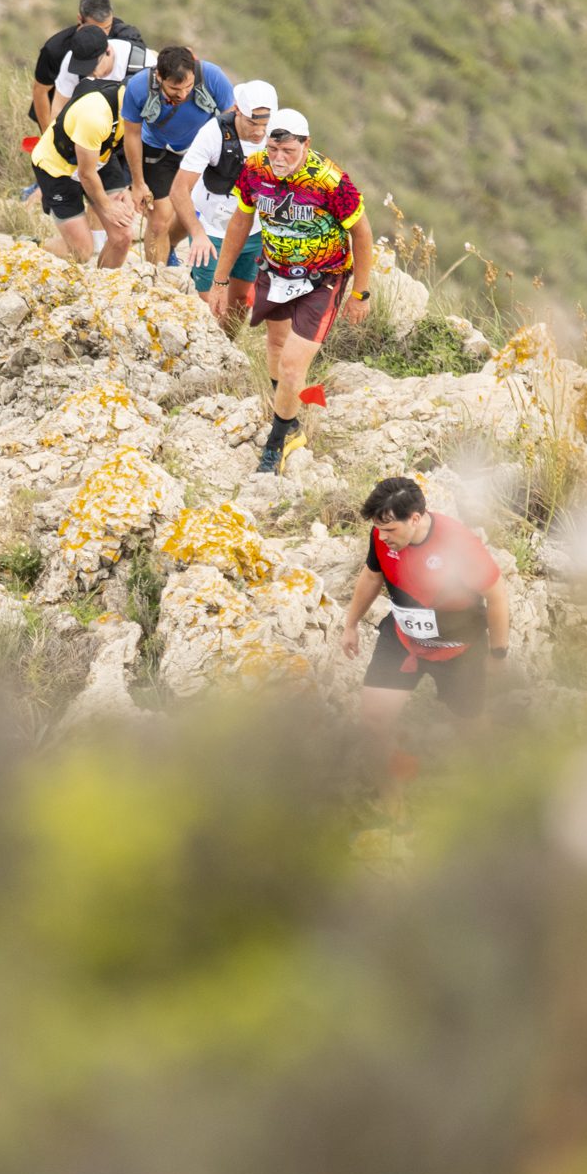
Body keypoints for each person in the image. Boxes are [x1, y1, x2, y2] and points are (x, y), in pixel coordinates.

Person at [207, 110, 373, 474]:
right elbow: (241, 220)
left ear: (306, 144)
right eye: (273, 149)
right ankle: (291, 419)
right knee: (276, 347)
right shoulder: (255, 170)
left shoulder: (330, 181)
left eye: (288, 151)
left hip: (323, 279)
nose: (279, 158)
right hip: (275, 270)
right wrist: (220, 281)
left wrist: (360, 293)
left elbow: (361, 233)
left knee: (293, 364)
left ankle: (277, 441)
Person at [339, 477, 510, 736]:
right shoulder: (381, 534)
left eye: (390, 529)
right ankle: (386, 763)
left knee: (470, 728)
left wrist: (498, 655)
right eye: (378, 528)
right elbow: (372, 576)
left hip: (458, 651)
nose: (382, 536)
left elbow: (497, 597)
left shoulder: (458, 544)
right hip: (403, 639)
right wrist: (350, 625)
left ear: (415, 519)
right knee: (374, 719)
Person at [168, 80, 277, 323]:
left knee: (239, 301)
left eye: (264, 125)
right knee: (211, 301)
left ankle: (228, 344)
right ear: (237, 110)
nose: (259, 132)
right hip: (211, 225)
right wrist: (197, 233)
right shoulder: (213, 133)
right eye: (252, 123)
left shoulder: (277, 136)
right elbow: (178, 190)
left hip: (253, 228)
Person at [28, 24, 136, 268]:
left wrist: (130, 186)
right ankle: (34, 248)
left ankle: (102, 286)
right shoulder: (93, 112)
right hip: (58, 167)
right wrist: (105, 205)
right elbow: (57, 108)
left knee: (123, 235)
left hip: (98, 156)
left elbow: (134, 147)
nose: (91, 73)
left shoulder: (137, 92)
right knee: (81, 251)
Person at [121, 46, 235, 263]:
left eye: (188, 87)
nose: (182, 95)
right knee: (159, 220)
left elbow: (231, 118)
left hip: (199, 150)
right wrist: (138, 182)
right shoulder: (138, 87)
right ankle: (157, 273)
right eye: (174, 89)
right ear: (159, 76)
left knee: (191, 211)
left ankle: (170, 246)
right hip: (157, 149)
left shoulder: (212, 76)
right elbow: (132, 135)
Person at [30, 0, 145, 135]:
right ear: (80, 19)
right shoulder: (55, 49)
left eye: (107, 28)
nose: (103, 35)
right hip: (65, 112)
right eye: (96, 28)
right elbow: (40, 91)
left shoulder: (125, 37)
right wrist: (48, 135)